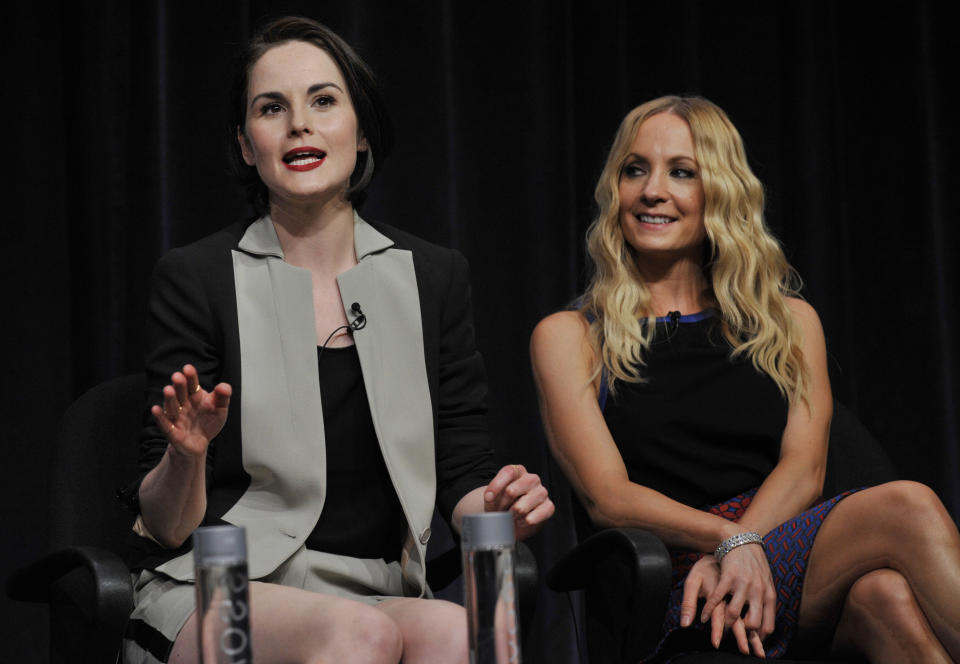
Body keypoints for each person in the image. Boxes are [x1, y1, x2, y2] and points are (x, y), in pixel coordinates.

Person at [119, 16, 554, 664]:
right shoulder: (199, 278)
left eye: (324, 100)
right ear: (246, 144)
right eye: (272, 108)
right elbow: (165, 523)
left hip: (375, 587)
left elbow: (463, 467)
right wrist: (187, 457)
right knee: (361, 636)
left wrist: (495, 508)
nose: (300, 124)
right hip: (218, 586)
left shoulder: (433, 278)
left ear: (360, 128)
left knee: (464, 638)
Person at [531, 95, 960, 662]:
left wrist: (748, 539)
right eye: (635, 169)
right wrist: (726, 543)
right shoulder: (571, 335)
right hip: (681, 578)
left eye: (681, 172)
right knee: (906, 506)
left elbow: (804, 470)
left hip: (781, 544)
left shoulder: (789, 322)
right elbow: (609, 498)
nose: (651, 190)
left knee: (886, 597)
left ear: (720, 192)